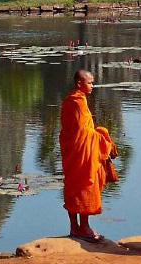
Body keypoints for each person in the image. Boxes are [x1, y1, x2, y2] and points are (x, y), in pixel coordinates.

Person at [59, 69, 116, 243]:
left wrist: (96, 133)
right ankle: (83, 227)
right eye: (90, 82)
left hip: (73, 151)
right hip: (81, 152)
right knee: (85, 184)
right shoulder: (77, 102)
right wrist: (103, 136)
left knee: (73, 185)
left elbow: (73, 130)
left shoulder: (70, 100)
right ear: (79, 83)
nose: (93, 85)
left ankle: (74, 227)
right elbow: (83, 132)